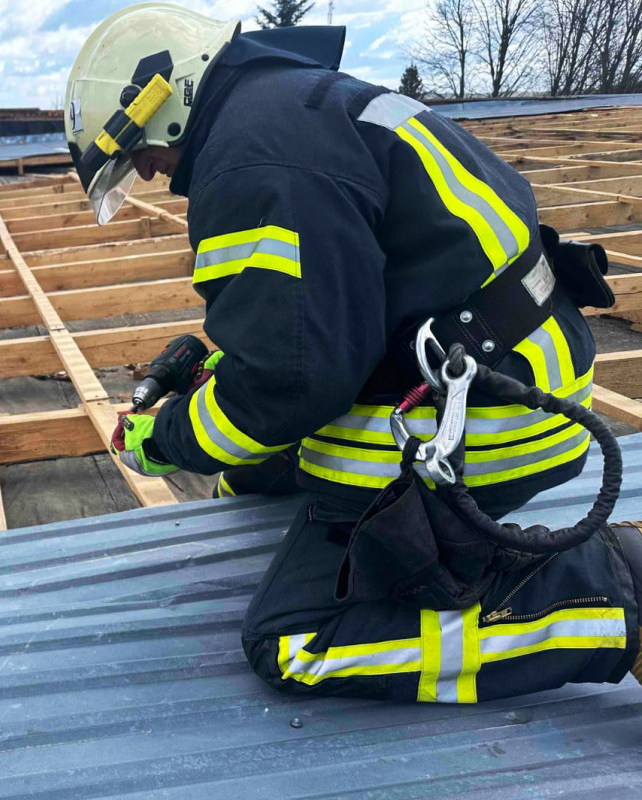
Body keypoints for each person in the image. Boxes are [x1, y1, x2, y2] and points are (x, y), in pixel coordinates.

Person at [64, 2, 642, 702]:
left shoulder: (251, 162)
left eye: (136, 154)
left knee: (294, 640)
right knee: (247, 476)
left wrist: (168, 437)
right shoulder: (293, 107)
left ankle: (611, 593)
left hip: (484, 426)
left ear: (161, 101)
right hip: (516, 381)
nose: (149, 175)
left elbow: (287, 386)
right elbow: (341, 315)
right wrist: (237, 370)